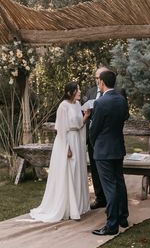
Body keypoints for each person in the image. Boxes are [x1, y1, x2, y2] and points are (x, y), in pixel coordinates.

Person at [30, 82, 91, 222]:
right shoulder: (63, 106)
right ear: (70, 92)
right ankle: (68, 207)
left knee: (77, 172)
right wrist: (67, 148)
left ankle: (78, 205)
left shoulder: (77, 105)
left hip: (77, 141)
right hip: (67, 141)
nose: (80, 92)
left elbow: (78, 125)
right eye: (77, 90)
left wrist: (86, 115)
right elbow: (61, 129)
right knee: (68, 171)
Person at [89, 70, 130, 236]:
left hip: (103, 150)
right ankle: (122, 217)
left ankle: (111, 225)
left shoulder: (101, 103)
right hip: (118, 147)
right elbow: (125, 117)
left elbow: (94, 129)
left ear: (102, 83)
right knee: (119, 183)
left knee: (110, 187)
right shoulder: (121, 100)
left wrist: (95, 144)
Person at [84, 66, 109, 210]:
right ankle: (100, 198)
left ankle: (110, 197)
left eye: (99, 77)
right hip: (92, 137)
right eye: (95, 77)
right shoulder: (91, 92)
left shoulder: (115, 92)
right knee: (95, 168)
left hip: (106, 137)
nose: (97, 80)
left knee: (107, 169)